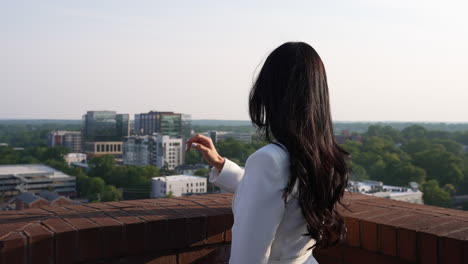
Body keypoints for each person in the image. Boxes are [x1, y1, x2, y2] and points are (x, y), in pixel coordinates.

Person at [186, 42, 350, 264]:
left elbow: (248, 259)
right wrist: (221, 164)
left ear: (272, 93)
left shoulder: (269, 160)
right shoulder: (323, 157)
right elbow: (278, 194)